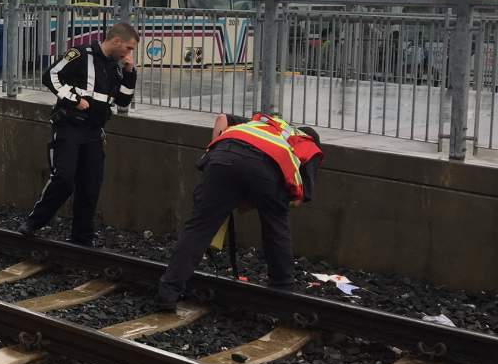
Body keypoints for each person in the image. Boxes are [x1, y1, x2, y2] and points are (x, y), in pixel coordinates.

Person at [157, 112, 324, 310]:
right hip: (265, 167)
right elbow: (296, 200)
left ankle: (168, 293)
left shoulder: (266, 123)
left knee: (198, 229)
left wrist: (232, 194)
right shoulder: (308, 144)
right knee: (276, 229)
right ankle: (282, 295)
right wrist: (257, 199)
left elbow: (222, 119)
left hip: (222, 154)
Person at [18, 22, 139, 246]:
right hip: (70, 127)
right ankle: (34, 223)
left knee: (90, 185)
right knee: (63, 178)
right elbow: (51, 75)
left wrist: (130, 73)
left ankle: (82, 238)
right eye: (129, 48)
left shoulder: (115, 67)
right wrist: (73, 98)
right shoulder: (81, 54)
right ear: (116, 41)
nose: (129, 53)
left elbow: (123, 100)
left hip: (93, 132)